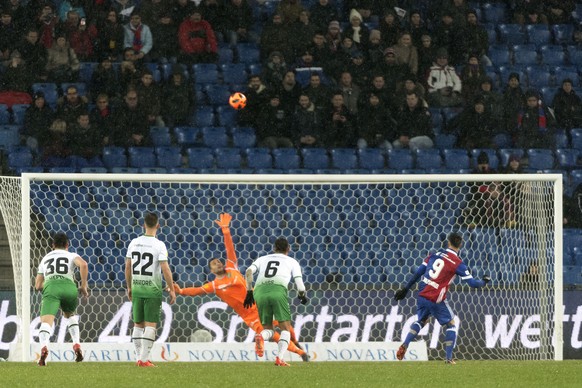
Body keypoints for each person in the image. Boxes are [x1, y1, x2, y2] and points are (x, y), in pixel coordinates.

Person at [173, 213, 309, 361]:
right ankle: (301, 353)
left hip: (260, 303)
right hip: (248, 315)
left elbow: (229, 248)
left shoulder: (232, 267)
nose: (218, 263)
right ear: (211, 271)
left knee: (286, 327)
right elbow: (195, 291)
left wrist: (226, 230)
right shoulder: (214, 285)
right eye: (214, 264)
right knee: (274, 335)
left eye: (218, 261)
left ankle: (296, 343)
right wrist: (180, 291)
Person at [393, 232, 490, 364]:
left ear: (448, 242)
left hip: (422, 294)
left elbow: (418, 272)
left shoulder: (434, 255)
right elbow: (472, 283)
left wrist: (406, 289)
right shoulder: (458, 263)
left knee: (421, 321)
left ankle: (405, 343)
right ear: (460, 245)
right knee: (451, 324)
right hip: (436, 298)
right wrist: (484, 281)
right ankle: (449, 359)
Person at [244, 237, 308, 367]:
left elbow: (248, 271)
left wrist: (249, 291)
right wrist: (302, 296)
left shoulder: (262, 259)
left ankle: (261, 336)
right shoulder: (292, 261)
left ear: (274, 248)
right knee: (285, 329)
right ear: (288, 249)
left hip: (259, 291)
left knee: (268, 329)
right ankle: (279, 358)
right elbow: (300, 285)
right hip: (278, 291)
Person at [125, 212, 176, 367]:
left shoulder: (133, 242)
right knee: (150, 325)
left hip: (137, 288)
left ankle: (139, 357)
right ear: (158, 226)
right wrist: (172, 288)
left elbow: (128, 266)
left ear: (143, 225)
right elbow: (165, 268)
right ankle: (143, 359)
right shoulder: (159, 244)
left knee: (138, 325)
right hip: (152, 290)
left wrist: (129, 286)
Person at [35, 232, 89, 366]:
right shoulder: (71, 255)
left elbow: (37, 285)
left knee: (46, 322)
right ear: (67, 245)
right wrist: (83, 286)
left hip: (51, 287)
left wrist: (49, 284)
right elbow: (83, 265)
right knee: (70, 315)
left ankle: (44, 348)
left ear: (52, 245)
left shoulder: (45, 258)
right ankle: (76, 344)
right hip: (69, 288)